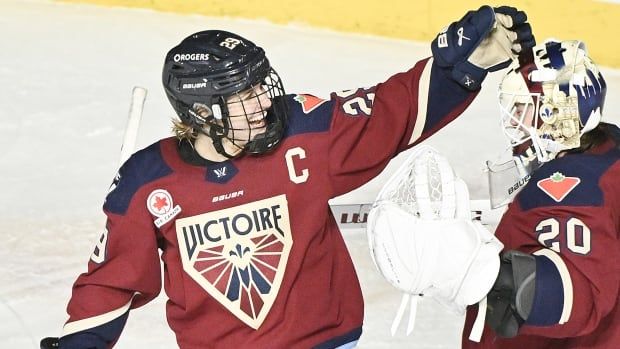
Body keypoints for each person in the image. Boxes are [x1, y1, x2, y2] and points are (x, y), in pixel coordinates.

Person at [41, 5, 534, 349]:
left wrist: (462, 68)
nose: (262, 101)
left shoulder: (302, 130)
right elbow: (111, 282)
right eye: (243, 95)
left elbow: (389, 113)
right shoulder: (147, 184)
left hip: (326, 342)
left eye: (260, 85)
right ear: (200, 110)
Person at [461, 39, 618, 348]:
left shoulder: (568, 186)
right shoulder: (605, 152)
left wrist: (471, 272)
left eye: (521, 109)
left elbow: (576, 297)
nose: (512, 122)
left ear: (557, 115)